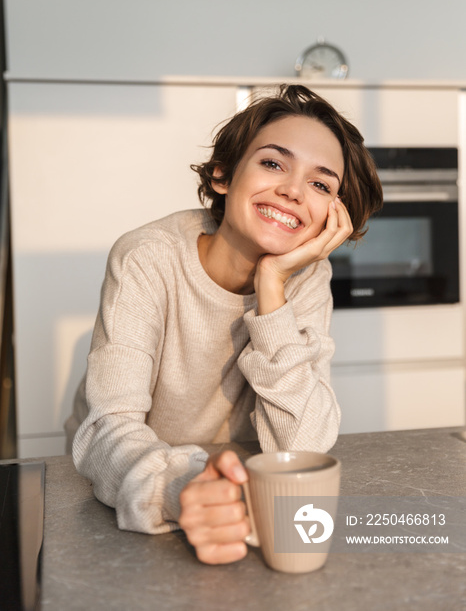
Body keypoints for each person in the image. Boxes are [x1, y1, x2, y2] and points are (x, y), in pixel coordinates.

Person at [66, 84, 383, 565]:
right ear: (222, 175)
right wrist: (183, 487)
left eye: (321, 185)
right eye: (273, 163)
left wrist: (272, 286)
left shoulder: (309, 276)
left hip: (236, 492)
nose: (293, 191)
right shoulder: (147, 258)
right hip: (133, 480)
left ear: (330, 217)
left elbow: (302, 446)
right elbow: (109, 429)